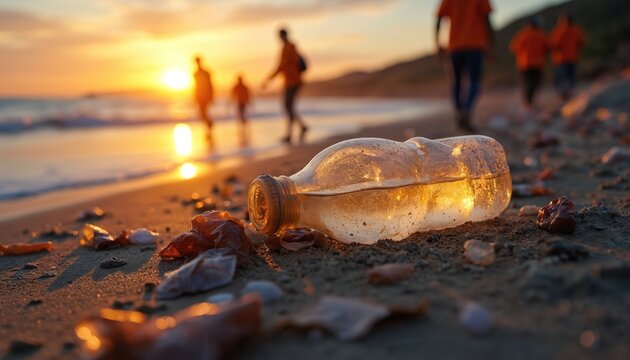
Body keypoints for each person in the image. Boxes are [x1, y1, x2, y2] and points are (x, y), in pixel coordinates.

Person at [435, 0, 494, 132]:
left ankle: (460, 113)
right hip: (476, 45)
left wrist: (437, 43)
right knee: (474, 82)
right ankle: (466, 112)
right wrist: (491, 45)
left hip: (455, 47)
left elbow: (439, 19)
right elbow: (487, 20)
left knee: (456, 82)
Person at [262, 28, 308, 144]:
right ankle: (301, 127)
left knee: (288, 106)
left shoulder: (287, 48)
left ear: (282, 36)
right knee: (290, 106)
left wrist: (268, 79)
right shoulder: (292, 47)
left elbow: (281, 66)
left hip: (291, 81)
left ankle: (290, 134)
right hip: (294, 80)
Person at [509, 18, 548, 109]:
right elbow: (547, 48)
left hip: (524, 64)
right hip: (537, 63)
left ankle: (527, 102)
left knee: (527, 83)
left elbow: (513, 48)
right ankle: (530, 102)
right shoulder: (541, 34)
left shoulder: (522, 35)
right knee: (535, 83)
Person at [549, 13, 585, 101]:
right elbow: (581, 42)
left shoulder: (558, 31)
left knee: (561, 78)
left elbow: (553, 44)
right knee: (570, 77)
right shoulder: (577, 30)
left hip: (560, 59)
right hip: (572, 58)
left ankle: (563, 95)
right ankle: (568, 94)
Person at [193, 56, 214, 148]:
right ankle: (209, 126)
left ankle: (208, 129)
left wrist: (211, 95)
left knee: (203, 113)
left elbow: (210, 84)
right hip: (199, 96)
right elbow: (195, 86)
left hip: (205, 96)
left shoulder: (206, 72)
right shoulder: (195, 73)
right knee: (202, 114)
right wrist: (194, 96)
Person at [231, 74, 251, 146]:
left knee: (242, 114)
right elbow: (233, 94)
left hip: (243, 102)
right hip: (240, 102)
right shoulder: (239, 86)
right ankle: (243, 126)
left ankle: (243, 127)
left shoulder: (243, 87)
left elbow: (248, 94)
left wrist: (248, 101)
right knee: (241, 114)